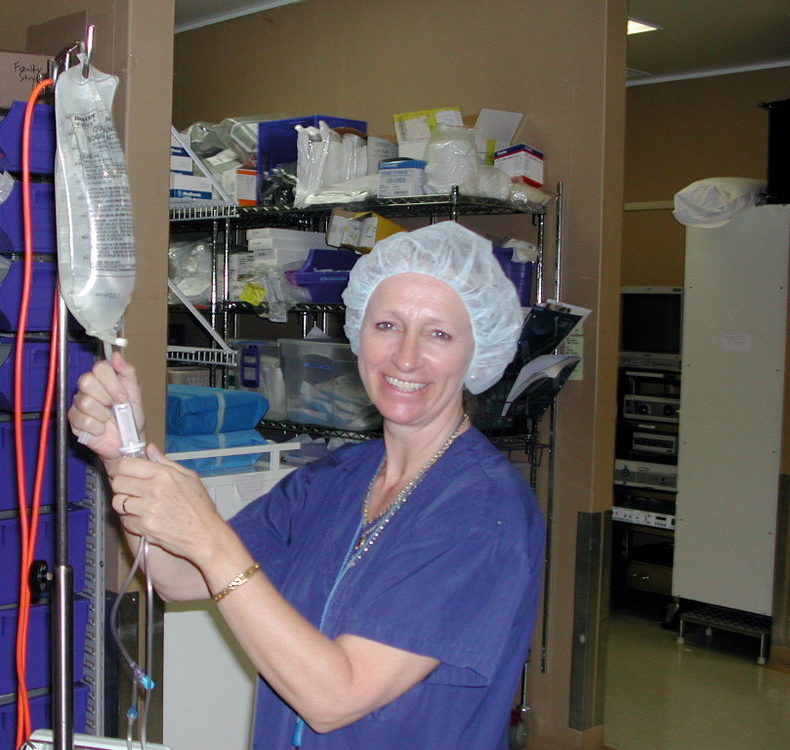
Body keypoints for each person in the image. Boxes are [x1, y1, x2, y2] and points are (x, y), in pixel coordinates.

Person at [68, 220, 545, 749]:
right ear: (358, 333)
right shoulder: (336, 480)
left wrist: (209, 535)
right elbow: (178, 578)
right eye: (387, 325)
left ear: (477, 352)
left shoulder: (480, 514)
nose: (406, 357)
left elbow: (334, 699)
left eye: (438, 333)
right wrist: (124, 453)